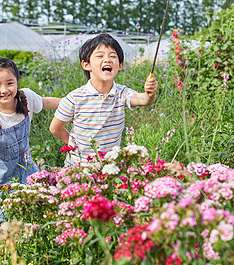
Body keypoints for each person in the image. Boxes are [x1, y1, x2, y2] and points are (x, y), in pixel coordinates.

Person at [0, 57, 60, 220]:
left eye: (9, 83)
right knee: (4, 224)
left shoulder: (26, 99)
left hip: (27, 170)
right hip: (0, 182)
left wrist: (73, 104)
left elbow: (46, 102)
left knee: (40, 212)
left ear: (17, 82)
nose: (4, 90)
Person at [49, 33, 158, 166]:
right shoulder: (75, 98)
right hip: (78, 168)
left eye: (113, 56)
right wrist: (75, 146)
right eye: (100, 56)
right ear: (86, 64)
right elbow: (55, 128)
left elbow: (144, 100)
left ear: (120, 64)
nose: (107, 60)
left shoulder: (122, 93)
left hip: (109, 168)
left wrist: (150, 93)